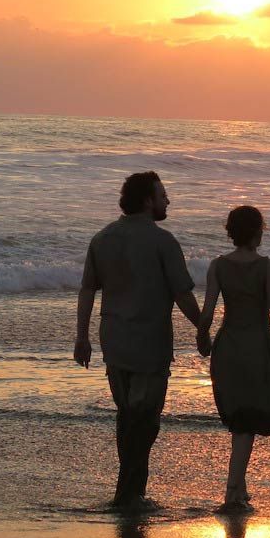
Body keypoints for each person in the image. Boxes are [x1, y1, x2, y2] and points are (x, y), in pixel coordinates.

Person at [74, 171, 206, 510]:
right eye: (162, 195)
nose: (167, 201)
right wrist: (204, 329)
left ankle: (130, 490)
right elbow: (182, 294)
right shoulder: (163, 241)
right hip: (149, 344)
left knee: (127, 416)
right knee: (145, 420)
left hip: (114, 341)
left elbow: (87, 289)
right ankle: (129, 494)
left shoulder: (102, 238)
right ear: (148, 201)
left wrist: (82, 336)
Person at [197, 205, 270, 513]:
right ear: (256, 232)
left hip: (227, 348)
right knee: (246, 423)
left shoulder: (217, 266)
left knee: (239, 418)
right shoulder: (267, 267)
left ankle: (240, 488)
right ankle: (231, 495)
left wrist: (203, 339)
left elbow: (207, 313)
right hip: (257, 349)